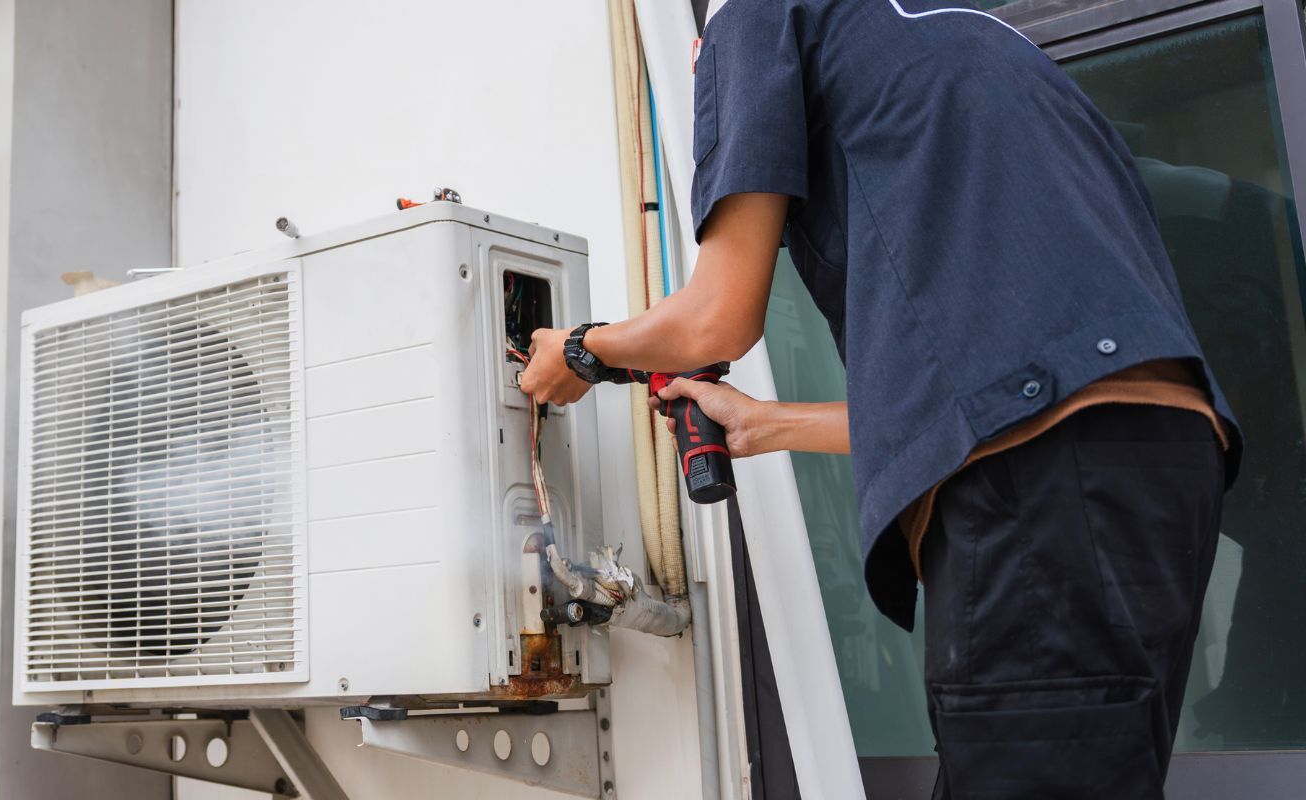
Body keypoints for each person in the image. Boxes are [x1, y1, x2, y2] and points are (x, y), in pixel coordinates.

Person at [517, 0, 1240, 796]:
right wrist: (768, 424)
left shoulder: (761, 15)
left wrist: (579, 352)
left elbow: (716, 318)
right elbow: (997, 385)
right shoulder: (970, 39)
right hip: (1163, 460)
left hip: (1041, 490)